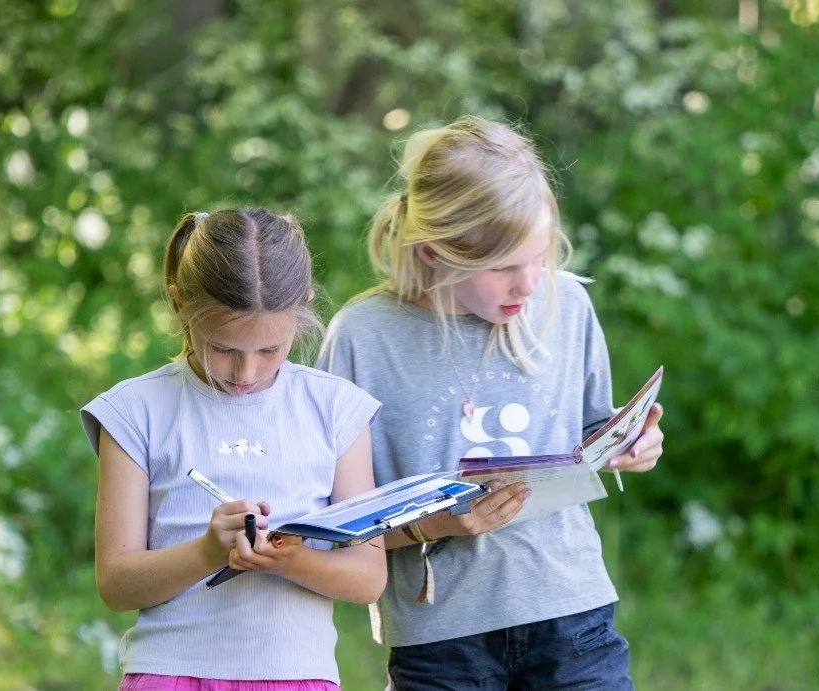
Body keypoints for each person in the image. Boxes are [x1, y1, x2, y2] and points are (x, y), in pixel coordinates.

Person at [317, 117, 665, 690]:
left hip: (571, 611)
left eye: (540, 255)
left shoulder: (567, 305)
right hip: (439, 636)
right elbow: (339, 518)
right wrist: (430, 525)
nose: (528, 284)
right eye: (503, 267)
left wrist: (634, 443)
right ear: (432, 252)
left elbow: (596, 429)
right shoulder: (363, 337)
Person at [82, 208, 386, 689]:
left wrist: (290, 558)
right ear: (181, 304)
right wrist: (207, 551)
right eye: (223, 348)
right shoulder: (136, 410)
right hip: (171, 673)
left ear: (303, 306)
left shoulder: (336, 410)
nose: (246, 374)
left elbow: (368, 577)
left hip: (296, 675)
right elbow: (116, 584)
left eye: (269, 350)